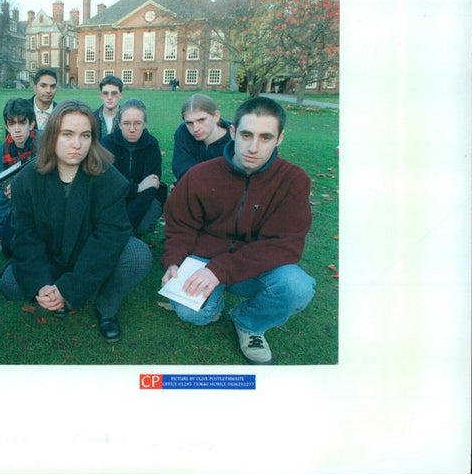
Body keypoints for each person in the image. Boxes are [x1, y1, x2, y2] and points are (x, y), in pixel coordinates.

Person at [161, 96, 315, 365]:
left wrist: (220, 271)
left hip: (255, 265)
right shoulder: (199, 175)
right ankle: (212, 306)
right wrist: (173, 261)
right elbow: (179, 225)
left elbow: (285, 245)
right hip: (203, 260)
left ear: (280, 139)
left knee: (297, 287)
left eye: (265, 137)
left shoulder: (294, 180)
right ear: (232, 131)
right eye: (246, 135)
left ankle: (248, 322)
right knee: (193, 314)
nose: (253, 147)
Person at [0, 100, 151, 343]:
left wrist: (69, 287)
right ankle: (52, 295)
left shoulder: (109, 179)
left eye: (85, 135)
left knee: (137, 255)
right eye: (67, 134)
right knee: (11, 284)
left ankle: (106, 307)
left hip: (89, 254)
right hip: (51, 257)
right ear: (51, 136)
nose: (77, 144)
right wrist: (43, 286)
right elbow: (25, 236)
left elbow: (108, 239)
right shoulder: (26, 180)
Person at [101, 98, 167, 237]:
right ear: (118, 124)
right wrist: (136, 187)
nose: (132, 129)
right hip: (114, 198)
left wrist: (127, 223)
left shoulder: (151, 144)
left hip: (143, 198)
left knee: (139, 227)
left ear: (144, 124)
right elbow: (108, 186)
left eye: (137, 123)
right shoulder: (106, 144)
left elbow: (150, 187)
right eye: (126, 123)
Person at [0, 97, 40, 256]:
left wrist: (23, 190)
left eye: (22, 123)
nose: (17, 129)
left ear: (32, 124)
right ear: (7, 126)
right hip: (16, 209)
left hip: (43, 205)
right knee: (8, 249)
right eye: (12, 124)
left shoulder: (44, 144)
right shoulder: (1, 152)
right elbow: (1, 194)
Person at [171, 94, 233, 182]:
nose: (195, 129)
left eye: (201, 120)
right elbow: (183, 173)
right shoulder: (183, 132)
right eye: (189, 123)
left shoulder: (237, 137)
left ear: (216, 116)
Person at [94, 74, 123, 139]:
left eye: (114, 93)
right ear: (101, 95)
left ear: (120, 95)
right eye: (106, 93)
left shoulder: (128, 118)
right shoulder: (92, 118)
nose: (109, 97)